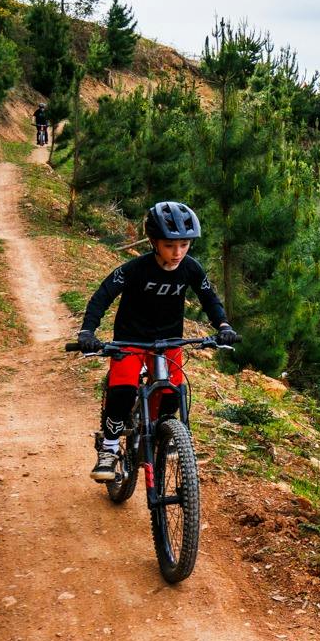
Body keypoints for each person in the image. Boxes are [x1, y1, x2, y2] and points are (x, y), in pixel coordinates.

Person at [74, 200, 239, 481]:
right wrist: (87, 332)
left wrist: (222, 325)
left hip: (169, 341)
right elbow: (103, 295)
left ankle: (161, 433)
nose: (178, 253)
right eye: (169, 245)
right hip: (130, 340)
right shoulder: (135, 269)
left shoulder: (191, 269)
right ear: (153, 241)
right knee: (123, 392)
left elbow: (209, 298)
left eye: (184, 245)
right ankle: (110, 449)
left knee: (172, 393)